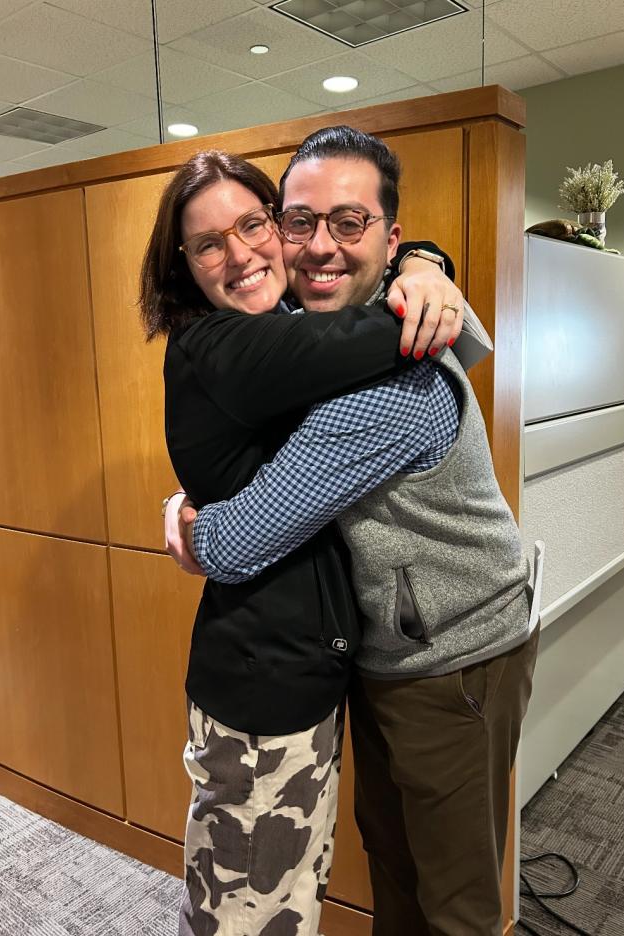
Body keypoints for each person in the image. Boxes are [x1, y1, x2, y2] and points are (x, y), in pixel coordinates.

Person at [167, 126, 543, 936]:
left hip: (457, 663)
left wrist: (193, 526)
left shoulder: (393, 382)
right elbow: (269, 458)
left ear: (388, 235)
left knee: (455, 905)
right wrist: (429, 264)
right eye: (299, 222)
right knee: (398, 877)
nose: (320, 247)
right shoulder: (315, 332)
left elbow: (238, 538)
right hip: (387, 654)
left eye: (350, 222)